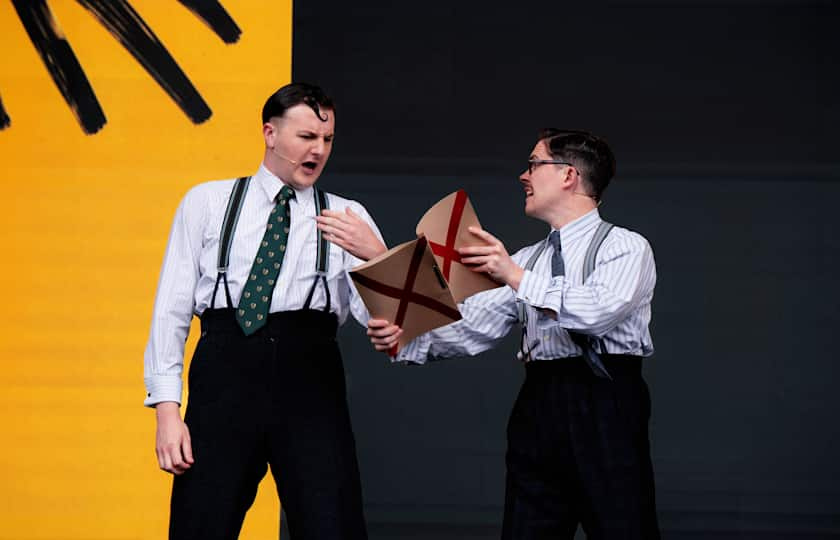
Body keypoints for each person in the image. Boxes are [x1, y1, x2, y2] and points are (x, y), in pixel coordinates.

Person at [367, 129, 660, 539]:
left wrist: (514, 276)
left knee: (623, 527)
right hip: (539, 401)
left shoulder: (625, 247)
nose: (524, 175)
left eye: (534, 164)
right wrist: (405, 336)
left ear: (568, 175)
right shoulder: (526, 259)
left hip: (605, 399)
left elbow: (596, 312)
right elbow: (472, 325)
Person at [143, 82, 386, 540]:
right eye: (307, 136)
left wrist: (377, 256)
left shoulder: (347, 216)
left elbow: (387, 321)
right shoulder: (208, 202)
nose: (319, 150)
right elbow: (169, 312)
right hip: (224, 374)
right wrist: (167, 412)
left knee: (331, 524)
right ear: (270, 133)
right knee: (201, 524)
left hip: (310, 377)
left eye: (327, 139)